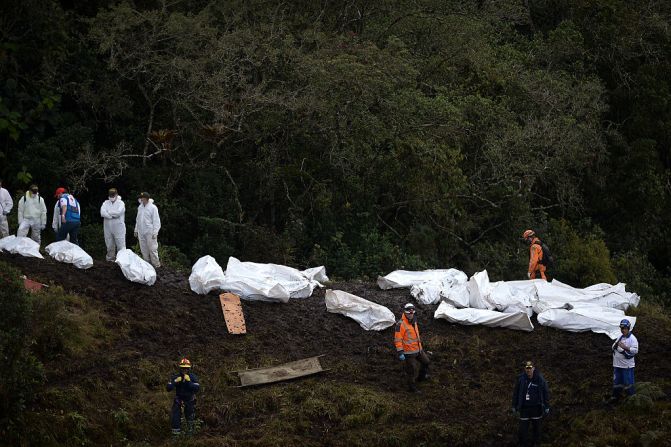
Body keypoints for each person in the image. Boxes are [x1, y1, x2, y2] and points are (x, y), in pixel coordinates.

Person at [512, 361, 550, 447]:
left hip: (536, 408)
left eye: (530, 368)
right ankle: (523, 444)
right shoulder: (521, 379)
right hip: (524, 409)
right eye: (527, 368)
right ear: (525, 369)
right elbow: (516, 393)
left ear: (533, 368)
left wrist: (547, 406)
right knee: (523, 430)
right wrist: (514, 405)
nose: (528, 370)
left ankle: (536, 444)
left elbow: (545, 392)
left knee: (537, 429)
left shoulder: (539, 379)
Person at [394, 303, 430, 392]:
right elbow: (397, 339)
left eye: (412, 313)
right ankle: (412, 388)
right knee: (412, 370)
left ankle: (421, 377)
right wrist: (400, 352)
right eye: (409, 313)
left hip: (418, 350)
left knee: (426, 362)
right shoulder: (400, 324)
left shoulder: (414, 321)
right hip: (408, 353)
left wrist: (420, 347)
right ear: (405, 313)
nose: (411, 314)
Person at [166, 358, 200, 436]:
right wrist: (175, 382)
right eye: (183, 368)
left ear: (189, 368)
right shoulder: (176, 377)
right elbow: (168, 388)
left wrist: (189, 382)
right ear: (180, 368)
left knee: (190, 419)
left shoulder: (192, 377)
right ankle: (176, 438)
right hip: (178, 401)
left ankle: (190, 437)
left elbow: (197, 388)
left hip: (189, 401)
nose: (184, 370)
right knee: (175, 419)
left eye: (186, 368)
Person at [611, 318, 639, 402]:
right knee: (617, 383)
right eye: (621, 328)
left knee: (628, 383)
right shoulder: (620, 336)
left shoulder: (633, 339)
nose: (622, 330)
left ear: (628, 328)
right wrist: (614, 347)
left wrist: (624, 349)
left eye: (624, 328)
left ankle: (632, 400)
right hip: (617, 365)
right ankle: (616, 398)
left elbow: (634, 351)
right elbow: (614, 346)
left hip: (626, 366)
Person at [134, 192, 161, 268]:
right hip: (141, 231)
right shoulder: (140, 207)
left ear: (146, 198)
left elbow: (156, 221)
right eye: (140, 198)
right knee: (144, 249)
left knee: (152, 249)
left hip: (150, 232)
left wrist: (155, 232)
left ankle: (156, 265)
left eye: (142, 197)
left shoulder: (153, 208)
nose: (140, 199)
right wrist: (136, 229)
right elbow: (138, 219)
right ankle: (147, 265)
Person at [100, 188, 126, 261]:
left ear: (116, 194)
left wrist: (108, 213)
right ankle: (110, 261)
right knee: (109, 245)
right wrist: (111, 215)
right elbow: (102, 213)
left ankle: (122, 261)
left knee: (121, 245)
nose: (111, 197)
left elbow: (118, 213)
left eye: (113, 195)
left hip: (119, 228)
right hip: (107, 228)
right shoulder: (105, 203)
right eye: (110, 195)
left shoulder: (121, 203)